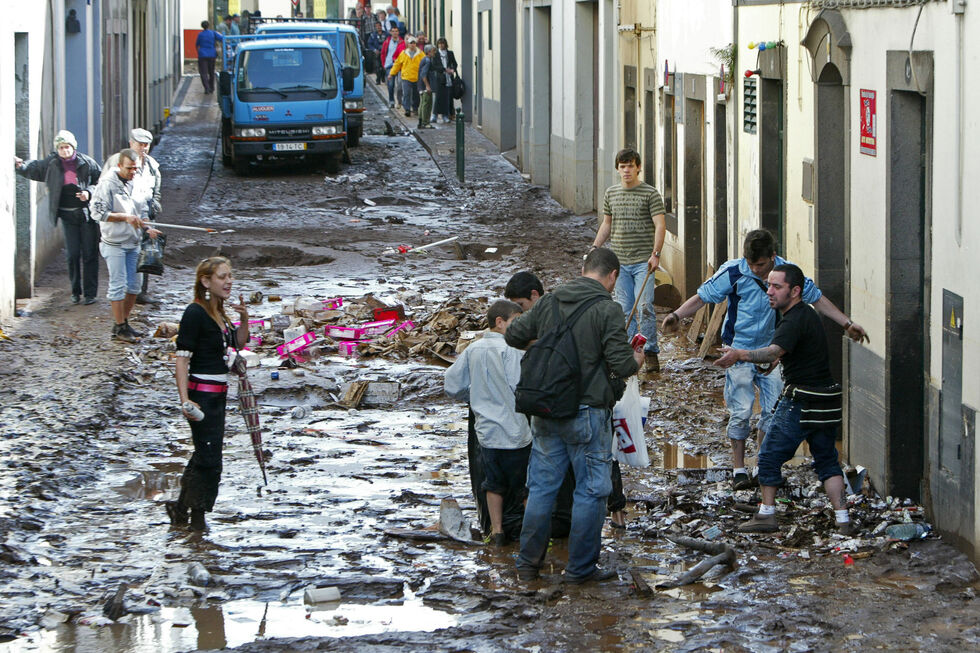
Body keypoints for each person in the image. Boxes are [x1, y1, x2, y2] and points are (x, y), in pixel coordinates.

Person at [661, 229, 868, 490]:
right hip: (737, 350)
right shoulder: (734, 272)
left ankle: (762, 465)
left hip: (774, 354)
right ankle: (738, 468)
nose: (755, 270)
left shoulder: (788, 275)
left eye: (760, 265)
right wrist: (677, 316)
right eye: (750, 264)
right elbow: (703, 297)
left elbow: (818, 299)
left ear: (773, 257)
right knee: (740, 413)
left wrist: (847, 324)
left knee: (772, 413)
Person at [506, 248, 643, 583]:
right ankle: (580, 569)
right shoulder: (607, 309)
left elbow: (512, 334)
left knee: (541, 488)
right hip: (587, 411)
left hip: (546, 408)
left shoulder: (550, 302)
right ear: (612, 276)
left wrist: (548, 342)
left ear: (583, 269)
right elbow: (623, 365)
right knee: (591, 491)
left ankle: (527, 564)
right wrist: (636, 359)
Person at [715, 264, 859, 536]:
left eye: (776, 287)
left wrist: (739, 355)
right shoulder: (805, 316)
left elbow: (772, 351)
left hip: (802, 400)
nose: (769, 292)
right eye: (768, 285)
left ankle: (767, 515)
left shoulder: (793, 318)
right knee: (828, 461)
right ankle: (842, 519)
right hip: (826, 400)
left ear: (795, 291)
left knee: (768, 457)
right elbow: (793, 351)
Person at [168, 256, 250, 531]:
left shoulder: (220, 313)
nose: (229, 282)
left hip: (217, 395)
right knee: (210, 457)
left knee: (205, 453)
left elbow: (238, 342)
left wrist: (244, 318)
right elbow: (181, 358)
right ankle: (198, 519)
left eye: (230, 276)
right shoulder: (195, 312)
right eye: (222, 277)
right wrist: (184, 400)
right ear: (206, 281)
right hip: (200, 396)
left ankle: (181, 508)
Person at [445, 300, 531, 546]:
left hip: (487, 432)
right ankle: (530, 532)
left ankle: (497, 531)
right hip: (516, 431)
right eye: (516, 322)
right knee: (524, 485)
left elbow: (452, 385)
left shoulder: (473, 349)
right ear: (500, 322)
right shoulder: (512, 349)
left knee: (492, 484)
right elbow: (519, 384)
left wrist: (471, 396)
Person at [590, 148, 665, 373]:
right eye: (622, 167)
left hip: (644, 262)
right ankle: (632, 354)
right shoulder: (611, 193)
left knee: (645, 307)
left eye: (630, 166)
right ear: (617, 169)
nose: (626, 171)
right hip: (619, 263)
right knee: (625, 309)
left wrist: (656, 254)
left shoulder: (650, 194)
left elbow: (660, 224)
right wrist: (595, 247)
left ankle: (651, 352)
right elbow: (607, 224)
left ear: (638, 167)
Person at [14, 130, 102, 305]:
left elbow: (101, 182)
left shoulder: (87, 163)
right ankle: (76, 292)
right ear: (57, 149)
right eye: (61, 148)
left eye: (67, 147)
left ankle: (90, 293)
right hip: (67, 215)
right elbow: (35, 168)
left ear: (73, 147)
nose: (64, 151)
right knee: (72, 254)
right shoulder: (52, 163)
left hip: (86, 214)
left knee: (90, 254)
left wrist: (88, 192)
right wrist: (20, 166)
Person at [90, 148, 161, 343]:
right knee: (118, 285)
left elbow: (143, 208)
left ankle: (123, 322)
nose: (133, 173)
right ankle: (120, 327)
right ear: (119, 165)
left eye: (136, 169)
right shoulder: (106, 184)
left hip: (134, 241)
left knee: (134, 287)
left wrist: (148, 227)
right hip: (114, 242)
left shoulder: (137, 182)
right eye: (129, 169)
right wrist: (124, 217)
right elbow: (97, 213)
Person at [100, 128, 162, 305]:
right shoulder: (116, 162)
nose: (143, 148)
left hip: (145, 213)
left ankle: (140, 291)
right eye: (139, 144)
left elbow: (156, 188)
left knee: (146, 252)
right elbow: (104, 190)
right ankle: (124, 296)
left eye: (146, 145)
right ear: (131, 143)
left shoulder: (152, 165)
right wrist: (121, 214)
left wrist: (155, 204)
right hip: (122, 217)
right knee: (123, 259)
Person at [390, 36, 424, 117]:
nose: (412, 45)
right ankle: (407, 109)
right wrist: (391, 73)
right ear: (408, 44)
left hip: (417, 77)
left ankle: (415, 108)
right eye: (411, 43)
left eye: (414, 43)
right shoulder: (403, 53)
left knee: (416, 94)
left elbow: (424, 64)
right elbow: (397, 64)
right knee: (407, 93)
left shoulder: (420, 54)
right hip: (406, 77)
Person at [380, 25, 405, 108]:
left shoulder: (402, 42)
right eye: (393, 31)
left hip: (400, 65)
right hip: (389, 65)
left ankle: (400, 101)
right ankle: (391, 100)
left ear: (398, 32)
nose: (395, 33)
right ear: (390, 32)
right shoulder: (387, 42)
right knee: (390, 84)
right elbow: (383, 53)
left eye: (396, 31)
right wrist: (384, 64)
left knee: (400, 85)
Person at [195, 20, 223, 94]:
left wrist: (199, 52)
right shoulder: (213, 33)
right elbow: (222, 38)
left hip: (202, 55)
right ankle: (212, 87)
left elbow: (197, 45)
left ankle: (206, 88)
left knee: (203, 72)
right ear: (209, 25)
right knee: (211, 72)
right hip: (212, 54)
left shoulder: (200, 35)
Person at [434, 38, 457, 123]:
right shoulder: (436, 54)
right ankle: (437, 114)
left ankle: (448, 114)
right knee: (439, 97)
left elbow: (455, 64)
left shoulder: (450, 53)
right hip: (440, 78)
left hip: (449, 78)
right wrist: (444, 69)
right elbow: (435, 66)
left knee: (449, 96)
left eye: (442, 44)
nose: (441, 45)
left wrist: (452, 70)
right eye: (439, 44)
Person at [417, 45, 439, 129]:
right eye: (433, 51)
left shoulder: (425, 59)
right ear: (429, 52)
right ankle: (425, 122)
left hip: (421, 85)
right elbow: (423, 75)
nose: (434, 52)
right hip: (425, 86)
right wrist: (427, 86)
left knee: (422, 103)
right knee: (426, 104)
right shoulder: (427, 61)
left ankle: (421, 121)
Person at [367, 19, 386, 85]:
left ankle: (383, 77)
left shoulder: (386, 34)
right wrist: (375, 50)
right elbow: (369, 44)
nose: (378, 27)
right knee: (377, 67)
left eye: (379, 26)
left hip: (384, 54)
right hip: (377, 54)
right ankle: (378, 80)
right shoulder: (373, 35)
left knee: (384, 67)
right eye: (377, 26)